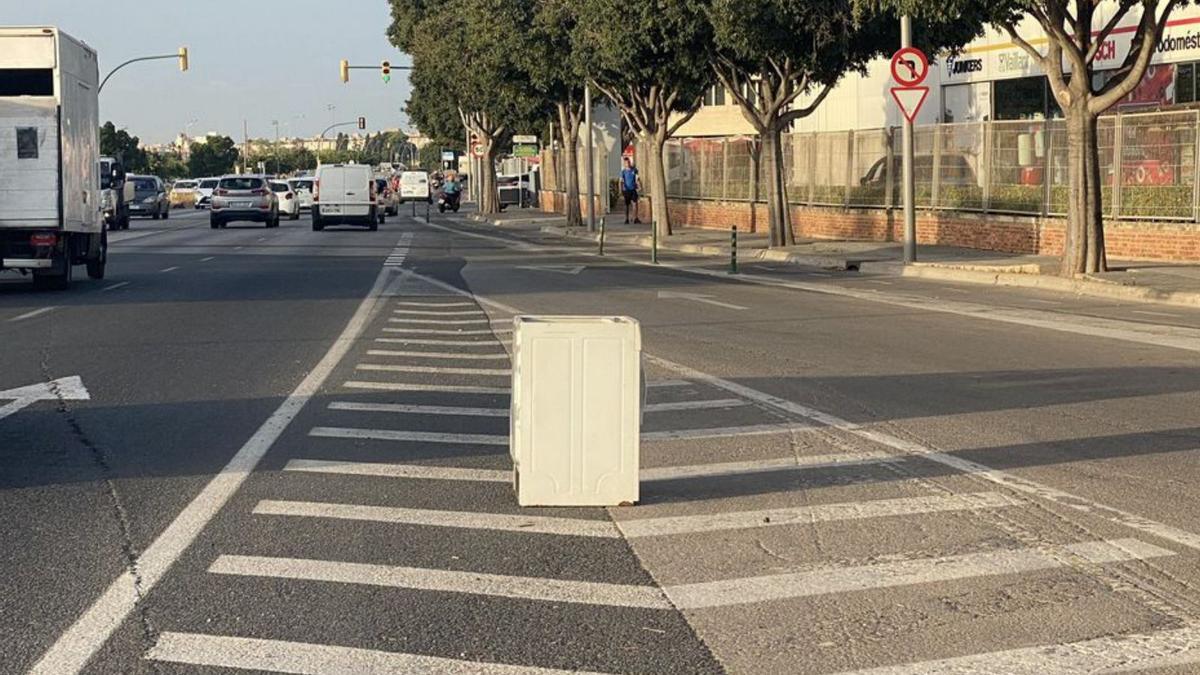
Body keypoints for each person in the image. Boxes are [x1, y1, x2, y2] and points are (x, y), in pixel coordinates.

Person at [620, 157, 641, 224]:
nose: (628, 164)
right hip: (627, 190)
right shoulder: (623, 172)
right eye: (626, 163)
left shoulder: (634, 170)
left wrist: (639, 186)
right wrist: (621, 190)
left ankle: (635, 218)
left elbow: (637, 179)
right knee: (627, 205)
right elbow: (621, 181)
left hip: (633, 189)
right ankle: (626, 219)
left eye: (628, 162)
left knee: (635, 204)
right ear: (624, 164)